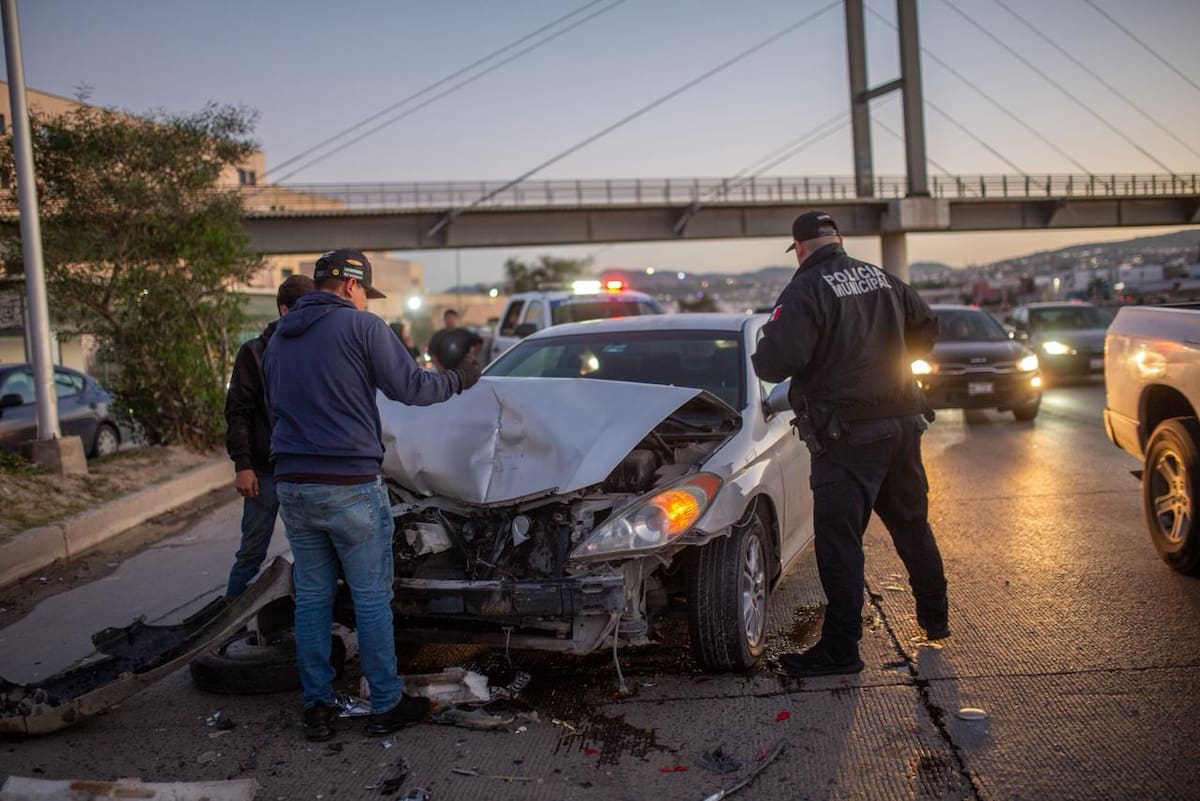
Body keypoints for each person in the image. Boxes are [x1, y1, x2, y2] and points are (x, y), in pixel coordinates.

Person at [263, 249, 482, 742]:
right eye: (365, 292)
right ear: (349, 286)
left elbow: (273, 403)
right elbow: (412, 389)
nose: (365, 301)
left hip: (293, 484)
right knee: (369, 599)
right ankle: (386, 702)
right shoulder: (363, 328)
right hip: (349, 485)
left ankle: (316, 706)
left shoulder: (278, 337)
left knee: (313, 598)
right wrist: (460, 379)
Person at [752, 211, 949, 678]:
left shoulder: (807, 288)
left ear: (799, 248)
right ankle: (935, 618)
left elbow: (775, 362)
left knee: (840, 544)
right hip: (902, 422)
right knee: (912, 525)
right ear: (838, 239)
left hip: (848, 436)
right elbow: (927, 330)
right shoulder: (883, 279)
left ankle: (841, 649)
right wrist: (886, 363)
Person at [223, 273, 314, 598]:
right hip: (264, 473)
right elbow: (238, 411)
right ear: (284, 310)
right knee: (251, 555)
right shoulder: (255, 352)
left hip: (304, 473)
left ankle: (300, 623)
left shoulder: (315, 349)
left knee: (310, 557)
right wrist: (242, 465)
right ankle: (227, 620)